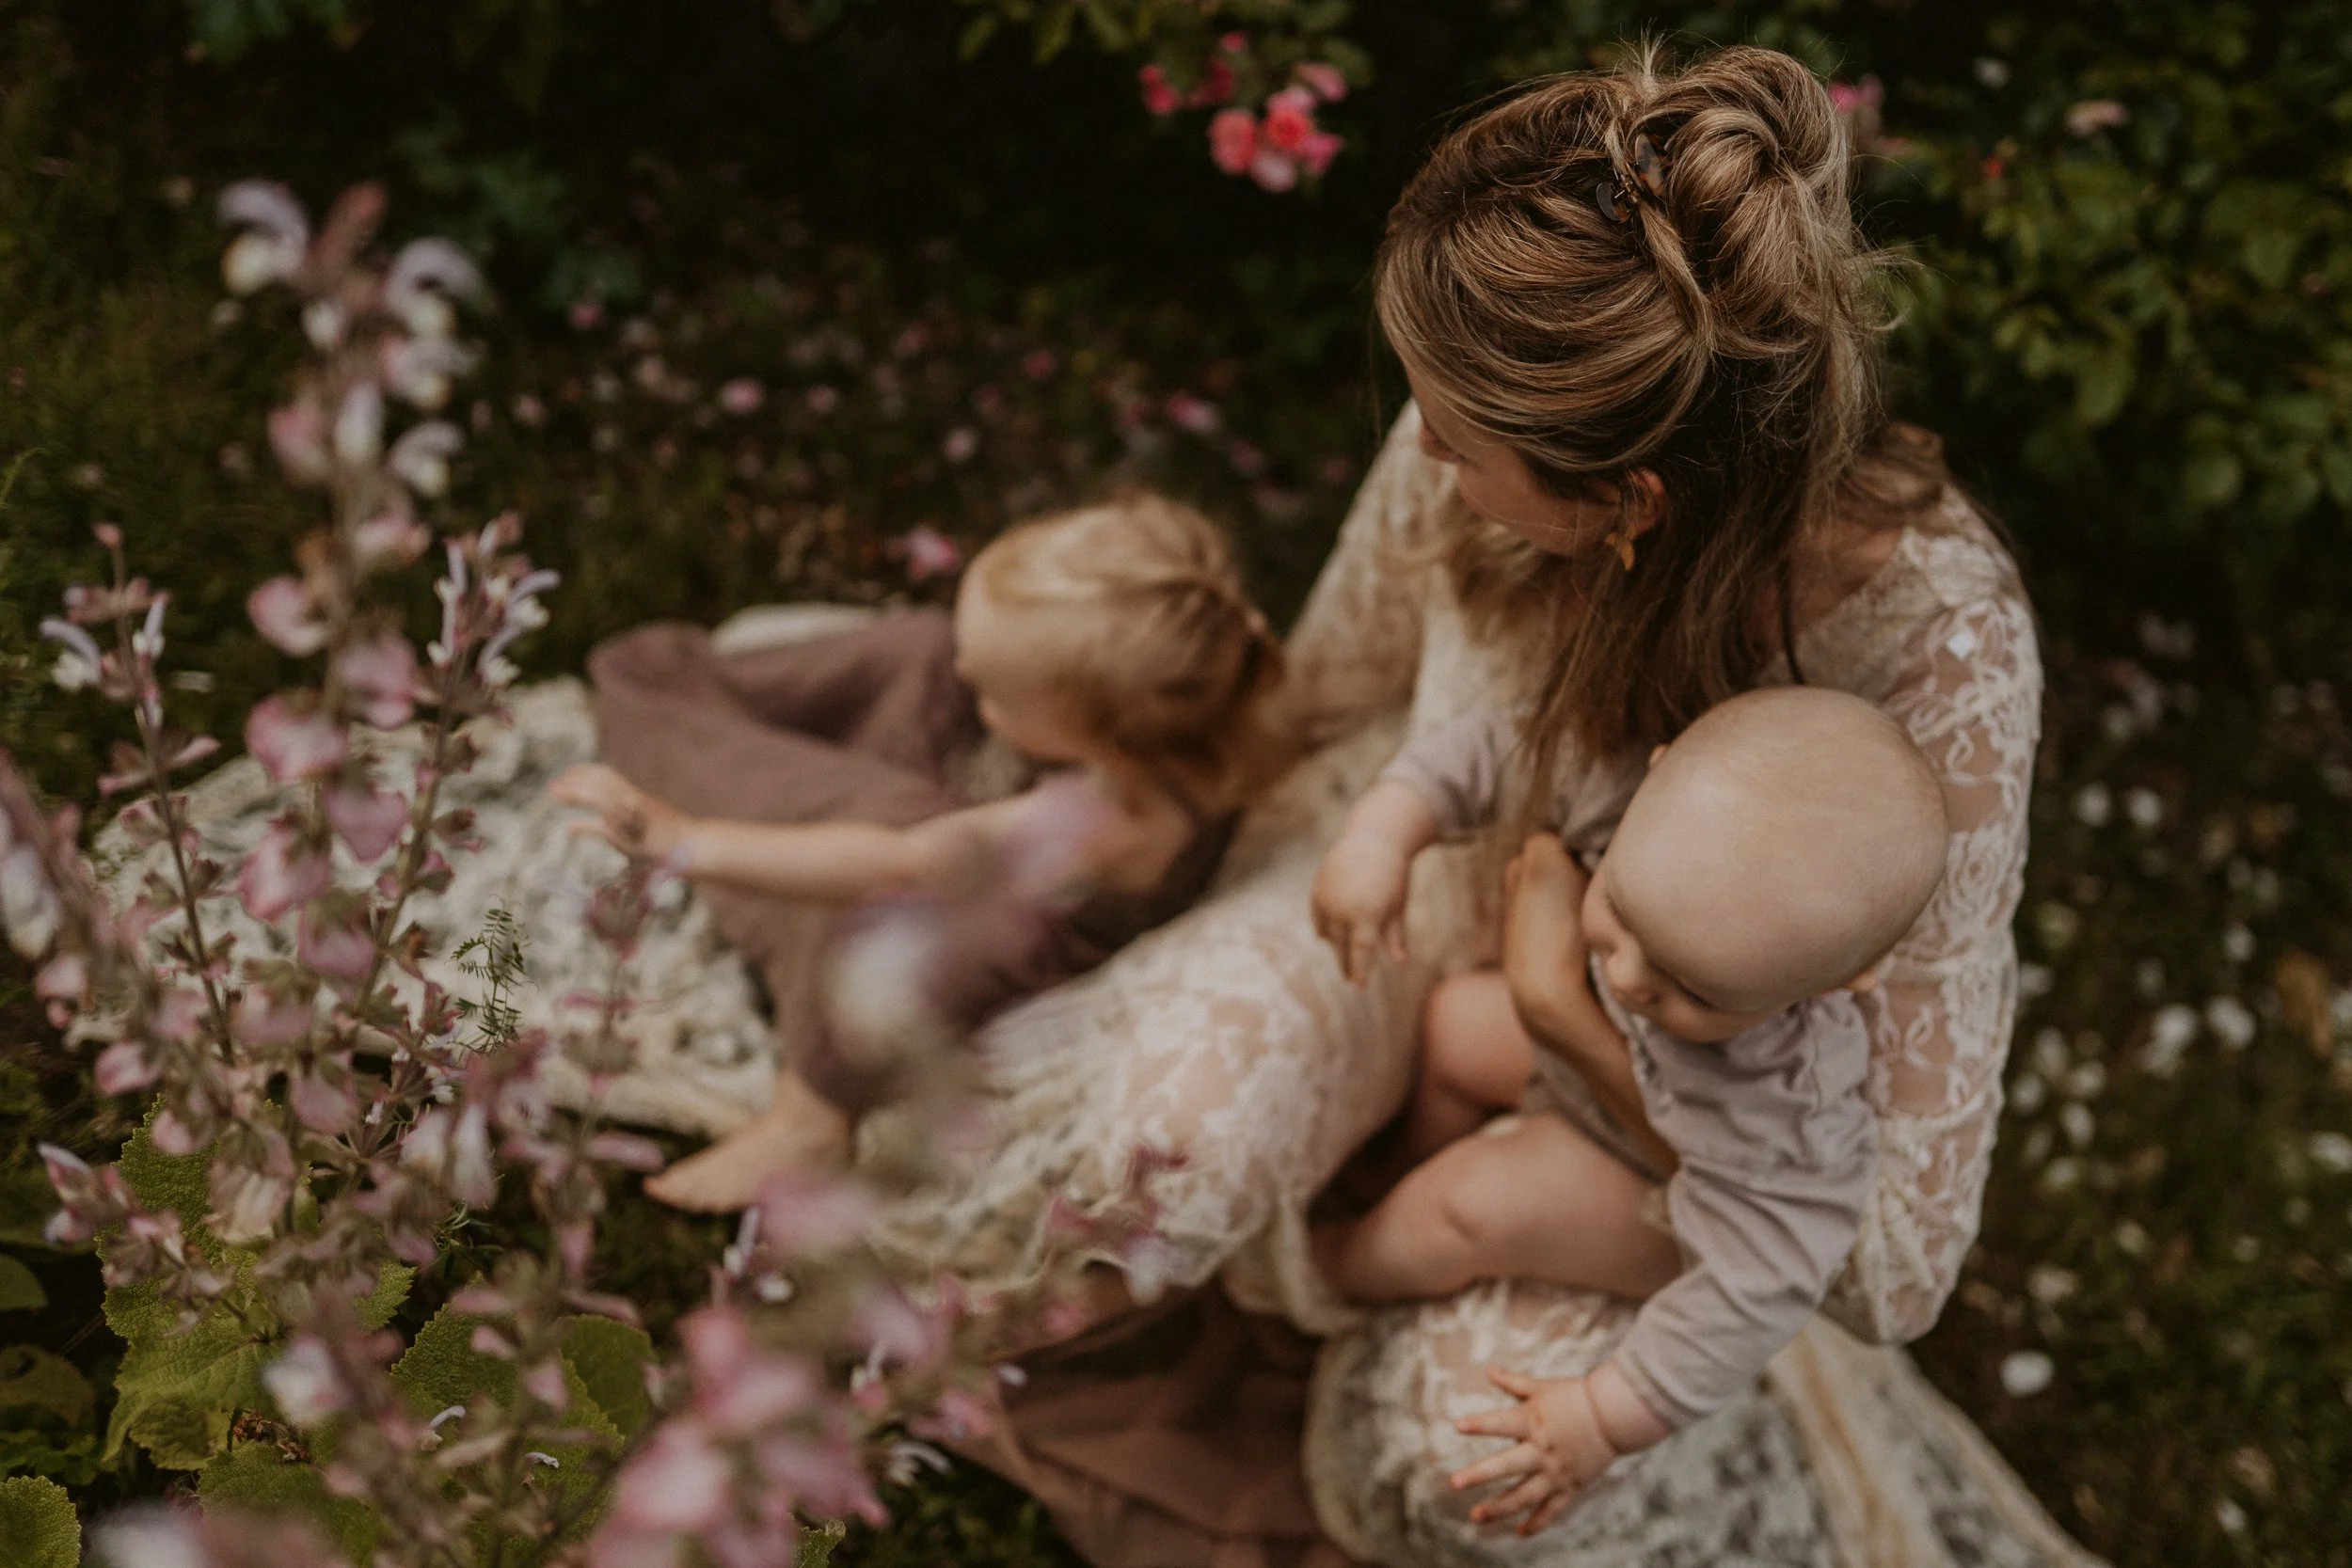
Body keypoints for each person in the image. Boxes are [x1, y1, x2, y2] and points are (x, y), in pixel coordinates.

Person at [1311, 688, 1949, 1531]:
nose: (1627, 977)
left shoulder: (1787, 1115)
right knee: (1454, 1023)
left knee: (1465, 1205)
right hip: (1592, 1073)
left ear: (1828, 985)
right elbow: (1504, 744)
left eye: (1693, 989)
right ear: (1652, 779)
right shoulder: (1643, 799)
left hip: (1659, 1175)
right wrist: (1384, 831)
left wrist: (1607, 1417)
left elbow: (1759, 1284)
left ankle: (1326, 1277)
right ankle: (1395, 1168)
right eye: (1620, 910)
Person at [560, 493, 1292, 1210]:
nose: (973, 680)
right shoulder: (1200, 713)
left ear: (1096, 737)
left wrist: (687, 840)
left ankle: (810, 1114)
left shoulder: (1100, 822)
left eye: (994, 693)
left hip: (980, 927)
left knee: (876, 910)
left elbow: (899, 861)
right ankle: (707, 720)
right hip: (1003, 814)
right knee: (926, 650)